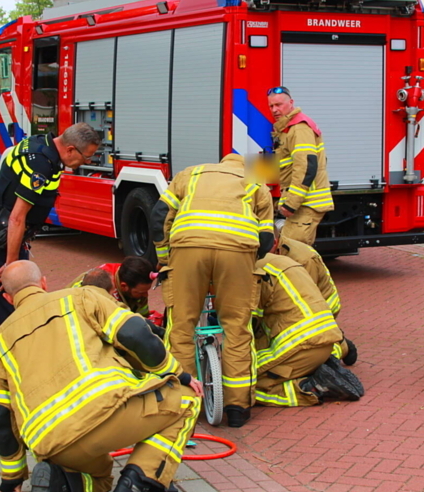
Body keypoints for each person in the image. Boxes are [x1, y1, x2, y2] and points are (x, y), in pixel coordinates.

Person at [0, 261, 201, 492]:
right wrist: (179, 375)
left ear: (7, 297)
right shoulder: (82, 297)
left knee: (99, 480)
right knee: (188, 398)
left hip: (51, 442)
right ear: (43, 283)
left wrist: (12, 476)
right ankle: (139, 483)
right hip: (105, 414)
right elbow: (134, 334)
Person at [151, 153, 274, 428]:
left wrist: (164, 256)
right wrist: (247, 263)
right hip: (237, 251)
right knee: (237, 328)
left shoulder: (190, 174)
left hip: (189, 247)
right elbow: (266, 237)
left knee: (182, 326)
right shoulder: (256, 182)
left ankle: (185, 404)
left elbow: (159, 215)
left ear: (219, 164)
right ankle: (238, 407)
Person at [0, 123, 101, 379]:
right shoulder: (42, 164)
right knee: (11, 295)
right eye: (85, 156)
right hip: (5, 232)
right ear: (69, 149)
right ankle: (9, 368)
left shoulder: (41, 144)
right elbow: (17, 217)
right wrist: (12, 266)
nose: (85, 161)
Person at [252, 253, 364, 407]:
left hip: (300, 343)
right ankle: (337, 351)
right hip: (328, 335)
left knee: (244, 384)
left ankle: (311, 387)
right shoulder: (285, 260)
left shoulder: (252, 271)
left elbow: (250, 324)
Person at [274, 233, 356, 365]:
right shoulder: (274, 250)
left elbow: (306, 297)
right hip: (299, 300)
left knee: (306, 348)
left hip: (320, 305)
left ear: (274, 243)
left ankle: (339, 347)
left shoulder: (303, 259)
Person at [268, 86, 333, 245]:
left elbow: (306, 168)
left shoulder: (299, 128)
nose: (275, 110)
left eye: (279, 105)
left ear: (291, 103)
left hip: (306, 205)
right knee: (292, 253)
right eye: (271, 106)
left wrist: (291, 204)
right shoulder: (286, 130)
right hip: (301, 205)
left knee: (293, 256)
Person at [69, 256, 155, 316]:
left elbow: (142, 314)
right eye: (141, 292)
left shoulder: (129, 276)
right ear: (124, 286)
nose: (146, 295)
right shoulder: (103, 287)